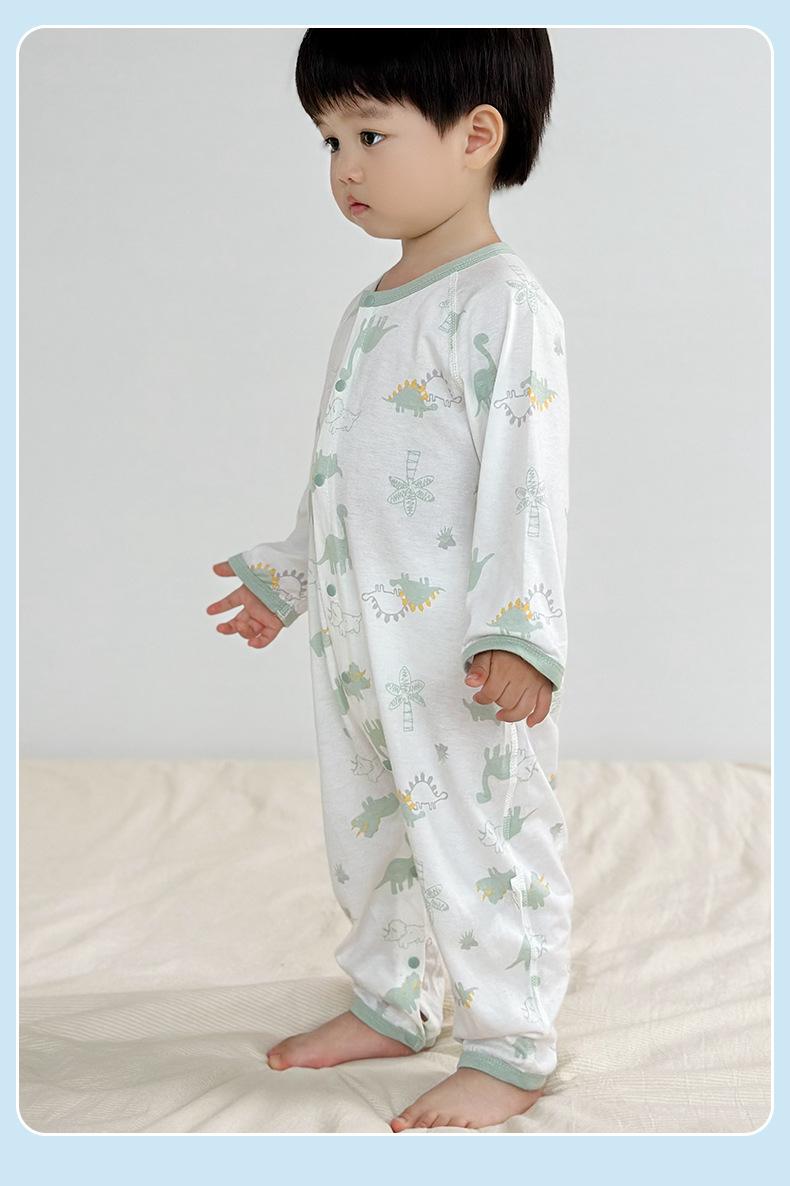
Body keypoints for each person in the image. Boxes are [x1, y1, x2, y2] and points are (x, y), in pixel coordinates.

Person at [206, 28, 573, 1131]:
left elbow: (525, 481)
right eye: (328, 141)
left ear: (476, 135)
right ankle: (393, 997)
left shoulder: (504, 305)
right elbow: (344, 478)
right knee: (369, 835)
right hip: (360, 649)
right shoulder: (372, 309)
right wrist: (288, 577)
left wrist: (518, 629)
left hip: (458, 658)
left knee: (477, 839)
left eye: (369, 134)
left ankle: (511, 1041)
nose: (343, 168)